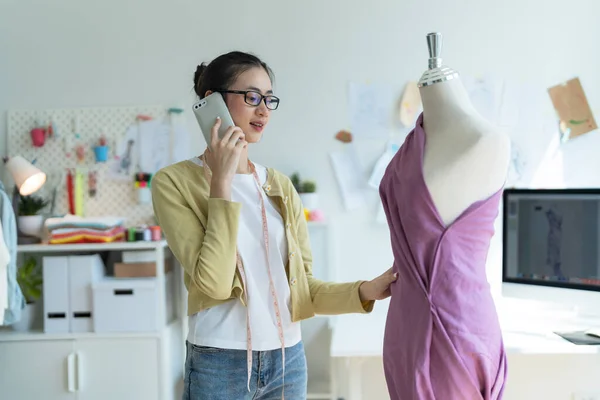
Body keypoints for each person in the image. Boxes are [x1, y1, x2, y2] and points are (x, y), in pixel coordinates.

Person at [151, 50, 397, 400]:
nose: (264, 110)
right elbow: (214, 284)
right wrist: (223, 182)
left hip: (288, 361)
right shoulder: (172, 182)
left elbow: (302, 289)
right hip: (219, 364)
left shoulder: (280, 185)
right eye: (251, 97)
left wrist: (365, 291)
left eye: (269, 99)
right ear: (212, 103)